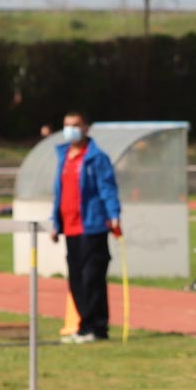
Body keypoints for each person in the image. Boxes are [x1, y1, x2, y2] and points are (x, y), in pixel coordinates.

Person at [48, 111, 122, 344]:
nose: (71, 129)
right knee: (76, 279)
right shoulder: (64, 156)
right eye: (67, 125)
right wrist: (55, 221)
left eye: (76, 125)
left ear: (86, 128)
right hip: (70, 227)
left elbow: (107, 187)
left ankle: (97, 327)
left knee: (93, 277)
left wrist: (114, 214)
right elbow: (59, 192)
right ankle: (83, 325)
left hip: (93, 225)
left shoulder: (96, 157)